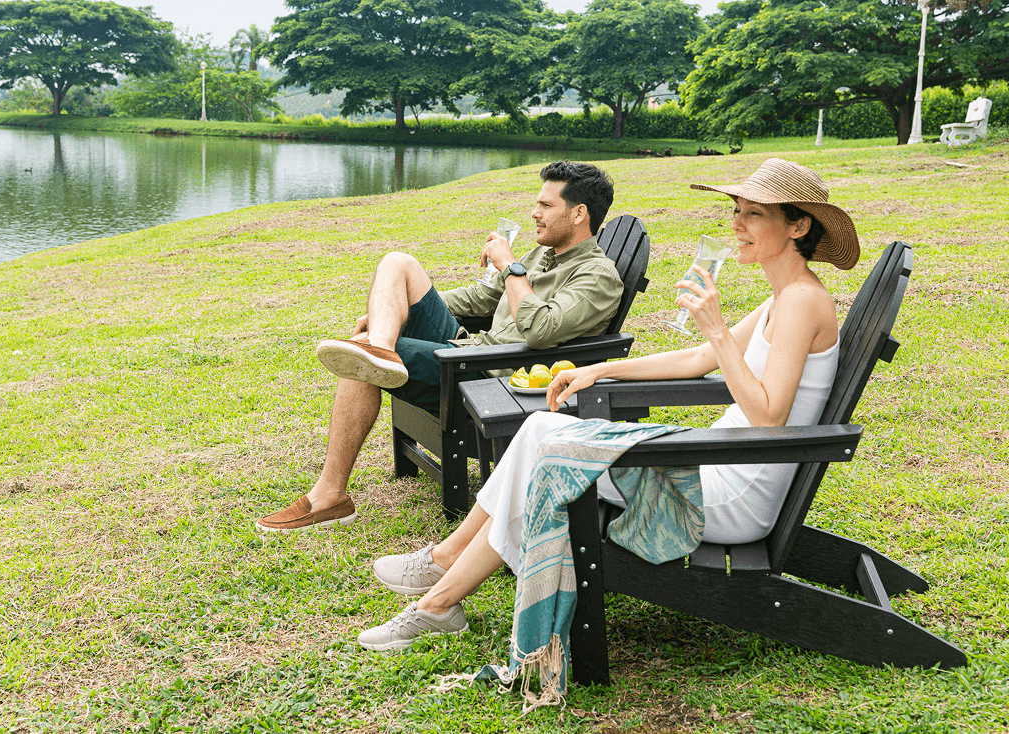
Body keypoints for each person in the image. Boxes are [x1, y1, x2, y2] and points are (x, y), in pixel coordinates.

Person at [355, 157, 861, 651]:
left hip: (730, 493)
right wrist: (599, 369)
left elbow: (768, 416)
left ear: (798, 226)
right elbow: (698, 359)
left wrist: (716, 328)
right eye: (736, 211)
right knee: (539, 432)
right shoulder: (784, 297)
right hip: (715, 465)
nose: (737, 225)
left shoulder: (801, 301)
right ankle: (443, 569)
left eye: (754, 214)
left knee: (547, 451)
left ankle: (438, 601)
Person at [255, 162, 624, 533]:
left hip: (490, 377)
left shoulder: (596, 276)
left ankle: (329, 496)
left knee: (360, 353)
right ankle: (382, 347)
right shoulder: (541, 257)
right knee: (398, 264)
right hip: (469, 351)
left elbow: (540, 330)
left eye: (546, 205)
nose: (534, 212)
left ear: (579, 214)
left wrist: (511, 267)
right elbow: (480, 298)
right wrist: (392, 314)